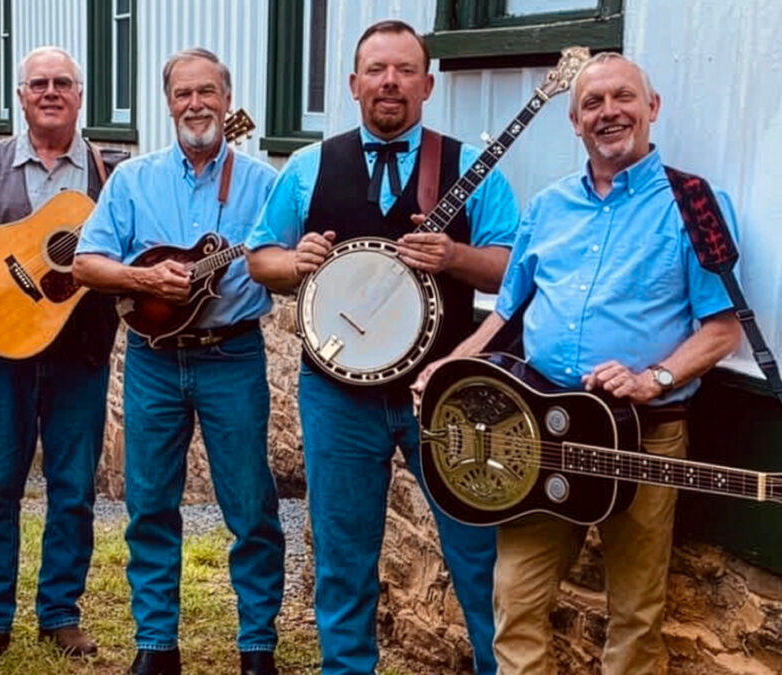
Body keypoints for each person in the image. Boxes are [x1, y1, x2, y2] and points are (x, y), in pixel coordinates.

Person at [411, 52, 742, 674]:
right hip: (536, 432)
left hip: (642, 437)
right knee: (515, 598)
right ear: (574, 121)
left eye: (624, 98)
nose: (609, 112)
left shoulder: (694, 203)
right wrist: (447, 367)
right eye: (593, 103)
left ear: (652, 108)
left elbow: (723, 329)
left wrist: (655, 378)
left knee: (636, 616)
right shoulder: (549, 206)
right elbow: (503, 315)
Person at [246, 20, 520, 675]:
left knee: (478, 552)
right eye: (376, 69)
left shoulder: (468, 170)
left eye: (404, 70)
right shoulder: (309, 165)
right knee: (344, 554)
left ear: (428, 84)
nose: (390, 82)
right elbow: (260, 256)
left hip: (448, 392)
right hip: (336, 393)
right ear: (353, 83)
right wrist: (296, 262)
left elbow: (512, 269)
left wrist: (454, 255)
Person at [73, 48, 285, 675]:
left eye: (208, 92)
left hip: (233, 355)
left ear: (227, 98)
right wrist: (141, 277)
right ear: (168, 105)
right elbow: (86, 263)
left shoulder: (263, 184)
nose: (196, 104)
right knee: (150, 503)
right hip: (153, 359)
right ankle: (157, 646)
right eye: (183, 94)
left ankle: (256, 648)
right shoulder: (133, 180)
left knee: (250, 506)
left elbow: (284, 258)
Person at [0, 46, 119, 661]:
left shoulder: (108, 172)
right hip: (2, 344)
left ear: (80, 96)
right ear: (22, 95)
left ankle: (60, 612)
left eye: (63, 82)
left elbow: (126, 248)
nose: (51, 91)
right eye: (39, 83)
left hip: (79, 352)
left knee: (73, 487)